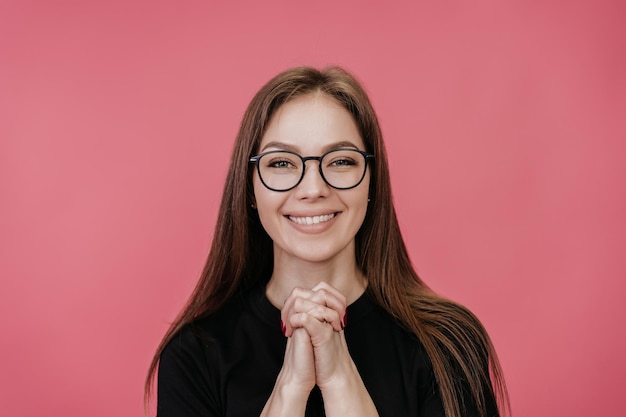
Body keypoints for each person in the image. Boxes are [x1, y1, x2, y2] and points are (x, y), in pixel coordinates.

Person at [145, 66, 509, 417]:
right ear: (250, 189)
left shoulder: (448, 345)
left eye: (340, 161)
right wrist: (290, 389)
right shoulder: (194, 354)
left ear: (371, 181)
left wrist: (339, 380)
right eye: (282, 163)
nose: (314, 189)